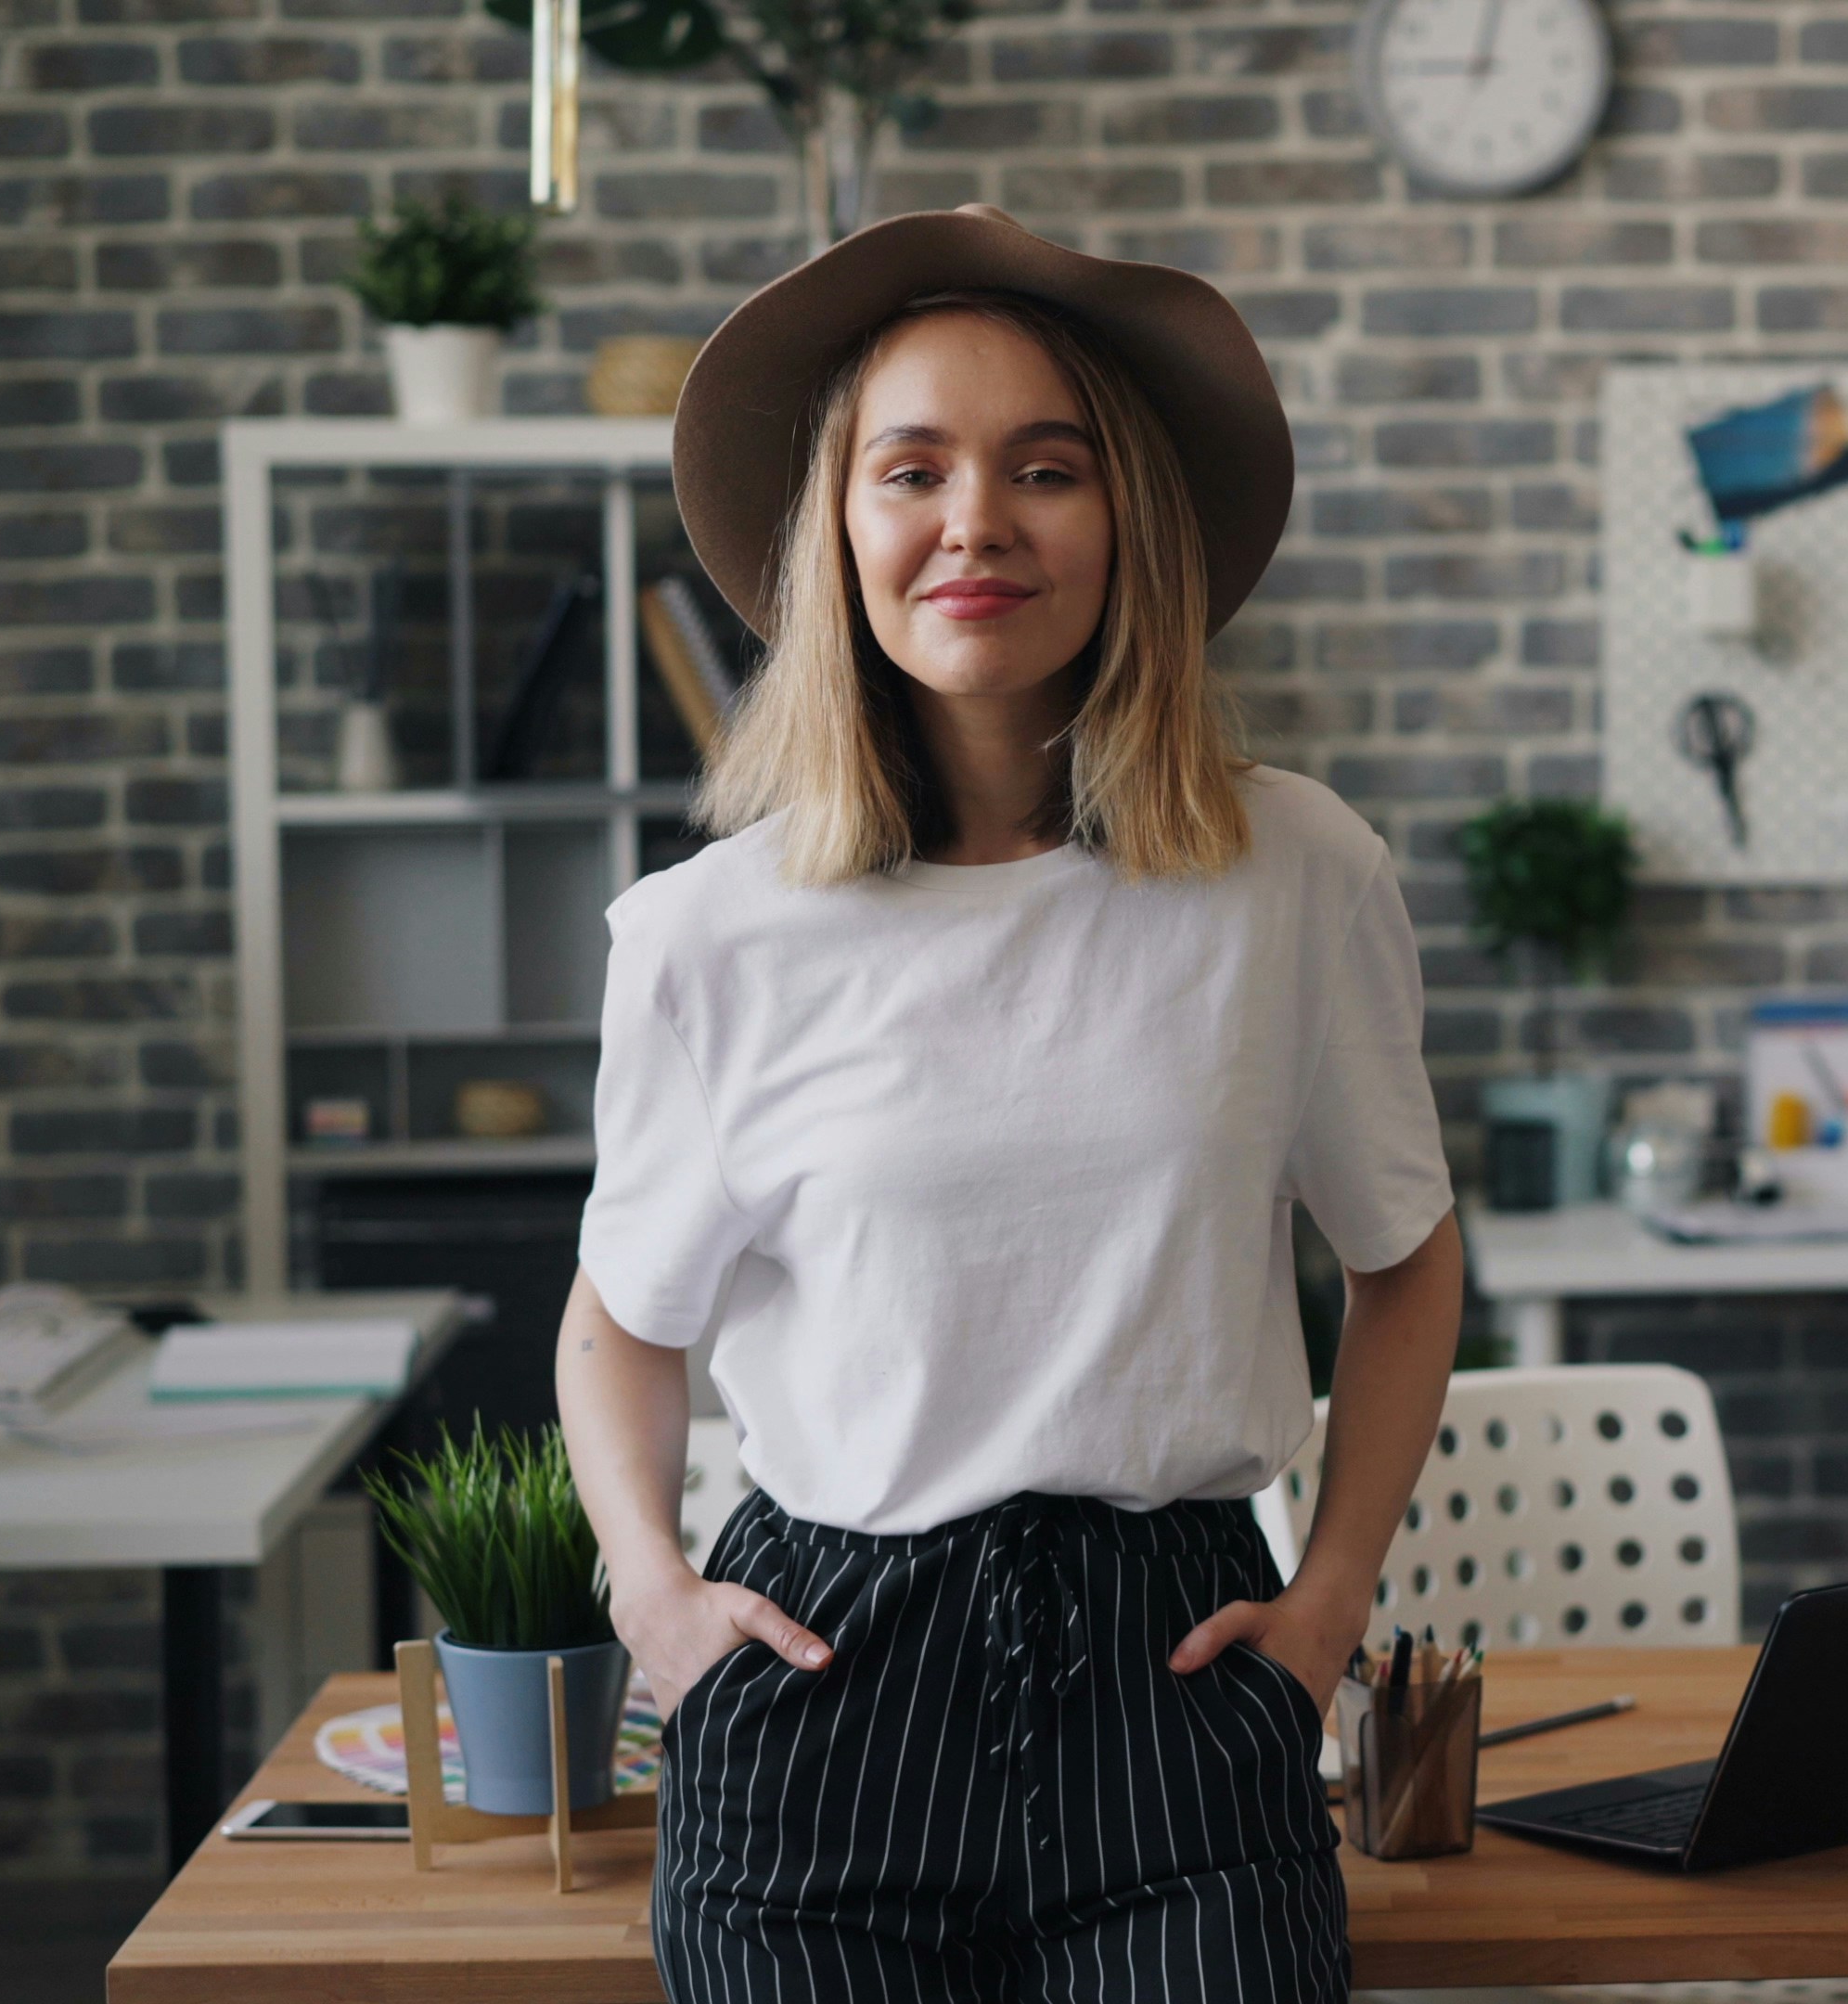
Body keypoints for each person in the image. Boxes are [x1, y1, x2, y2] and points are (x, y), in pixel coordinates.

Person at [557, 205, 1464, 2004]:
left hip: (1181, 1678)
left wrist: (1335, 1593)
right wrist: (652, 1596)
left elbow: (1409, 1260)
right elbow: (617, 1325)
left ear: (1127, 521)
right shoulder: (704, 936)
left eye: (1044, 469)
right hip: (821, 1707)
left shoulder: (1293, 872)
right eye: (914, 470)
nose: (976, 521)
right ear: (841, 529)